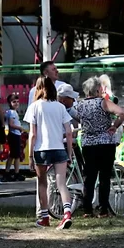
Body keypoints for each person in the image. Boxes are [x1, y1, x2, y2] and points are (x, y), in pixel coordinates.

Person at [25, 75, 75, 230]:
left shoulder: (35, 106)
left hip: (41, 149)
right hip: (59, 148)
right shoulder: (60, 106)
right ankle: (67, 213)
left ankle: (45, 217)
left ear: (38, 89)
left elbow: (33, 134)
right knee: (61, 183)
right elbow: (68, 132)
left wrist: (30, 156)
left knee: (42, 183)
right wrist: (69, 152)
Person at [74, 74, 124, 218]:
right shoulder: (103, 102)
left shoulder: (80, 105)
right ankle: (103, 210)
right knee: (104, 177)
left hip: (88, 144)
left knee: (89, 178)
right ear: (98, 89)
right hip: (105, 143)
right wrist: (115, 126)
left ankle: (87, 210)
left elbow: (76, 118)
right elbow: (122, 112)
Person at [3, 93, 25, 181]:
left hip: (16, 135)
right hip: (14, 135)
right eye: (14, 102)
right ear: (10, 103)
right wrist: (19, 128)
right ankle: (13, 173)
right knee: (14, 155)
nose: (16, 103)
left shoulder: (13, 112)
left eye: (17, 102)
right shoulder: (11, 113)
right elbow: (11, 124)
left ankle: (12, 172)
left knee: (15, 155)